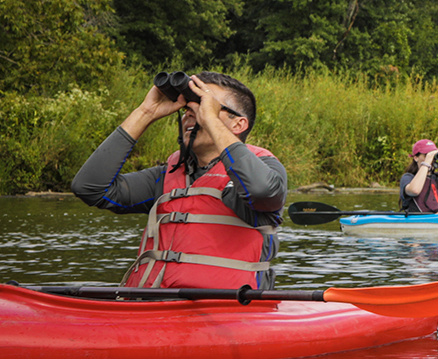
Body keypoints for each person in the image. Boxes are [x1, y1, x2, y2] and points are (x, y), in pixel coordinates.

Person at [71, 71, 286, 289]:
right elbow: (89, 188)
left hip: (227, 310)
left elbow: (261, 191)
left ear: (238, 124)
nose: (191, 113)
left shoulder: (265, 169)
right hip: (156, 307)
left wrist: (210, 119)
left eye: (204, 105)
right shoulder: (167, 176)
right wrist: (145, 112)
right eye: (188, 108)